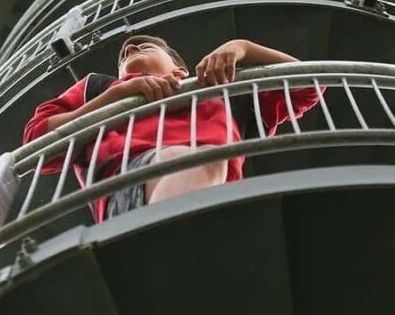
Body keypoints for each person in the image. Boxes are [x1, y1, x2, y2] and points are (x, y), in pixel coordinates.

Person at [23, 35, 322, 221]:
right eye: (124, 56)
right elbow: (36, 145)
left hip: (217, 201)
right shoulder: (99, 88)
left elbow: (309, 85)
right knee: (199, 158)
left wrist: (241, 47)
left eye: (145, 46)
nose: (129, 47)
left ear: (180, 70)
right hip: (127, 193)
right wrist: (116, 96)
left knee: (204, 160)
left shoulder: (220, 94)